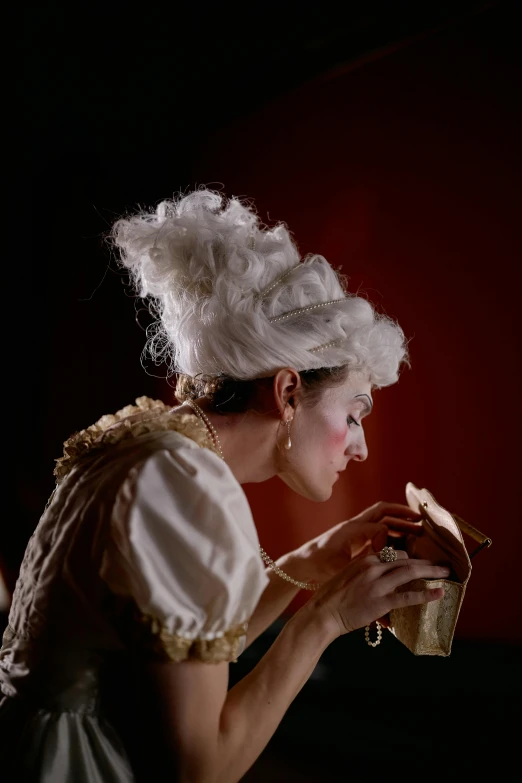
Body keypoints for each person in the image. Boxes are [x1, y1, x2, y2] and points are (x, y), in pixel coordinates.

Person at [0, 189, 450, 782]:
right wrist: (326, 619)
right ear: (289, 393)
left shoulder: (156, 444)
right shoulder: (182, 484)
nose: (360, 444)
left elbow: (184, 645)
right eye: (354, 413)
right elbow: (199, 770)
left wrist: (313, 561)